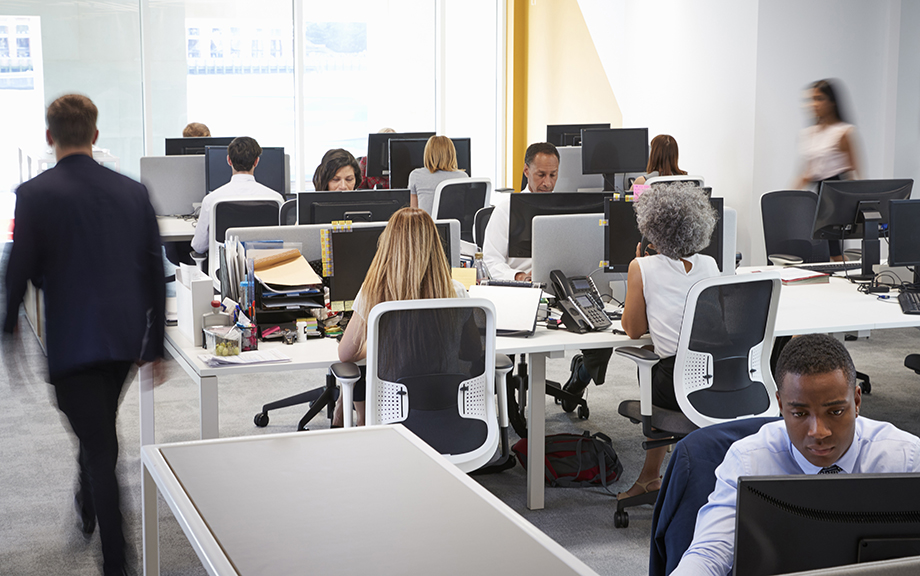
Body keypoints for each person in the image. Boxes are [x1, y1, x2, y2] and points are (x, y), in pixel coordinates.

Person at [4, 94, 165, 576]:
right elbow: (154, 271)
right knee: (97, 430)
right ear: (95, 136)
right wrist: (154, 345)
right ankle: (86, 498)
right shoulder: (133, 191)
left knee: (101, 447)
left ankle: (117, 562)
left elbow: (19, 270)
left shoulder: (33, 194)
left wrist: (8, 326)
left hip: (72, 342)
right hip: (122, 340)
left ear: (50, 137)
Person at [672, 334, 920, 576]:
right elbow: (709, 553)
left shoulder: (906, 458)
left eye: (835, 412)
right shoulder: (749, 460)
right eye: (800, 414)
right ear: (781, 405)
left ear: (856, 400)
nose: (818, 432)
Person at [482, 141, 612, 404]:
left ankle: (578, 380)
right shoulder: (506, 207)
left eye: (553, 175)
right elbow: (491, 259)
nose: (547, 182)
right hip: (521, 293)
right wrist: (518, 277)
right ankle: (510, 402)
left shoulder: (565, 207)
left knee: (604, 335)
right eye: (541, 174)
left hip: (560, 289)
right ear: (527, 171)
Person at [620, 183, 721, 499]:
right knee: (659, 355)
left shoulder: (642, 266)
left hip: (676, 383)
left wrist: (636, 276)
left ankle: (650, 476)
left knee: (650, 361)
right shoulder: (711, 265)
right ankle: (656, 475)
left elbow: (633, 330)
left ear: (651, 226)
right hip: (715, 378)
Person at [335, 207, 468, 426]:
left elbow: (346, 354)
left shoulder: (373, 293)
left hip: (392, 414)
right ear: (435, 245)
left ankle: (350, 416)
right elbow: (471, 350)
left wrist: (378, 342)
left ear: (388, 245)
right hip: (450, 409)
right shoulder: (457, 291)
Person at [794, 79, 860, 261]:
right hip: (816, 195)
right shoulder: (809, 133)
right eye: (811, 99)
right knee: (811, 249)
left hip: (836, 196)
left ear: (832, 102)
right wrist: (789, 197)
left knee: (835, 254)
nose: (813, 104)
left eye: (819, 98)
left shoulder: (844, 132)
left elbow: (854, 173)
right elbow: (807, 171)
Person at [190, 136, 283, 254]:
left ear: (229, 160)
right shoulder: (276, 199)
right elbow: (281, 242)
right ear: (256, 161)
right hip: (265, 266)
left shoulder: (212, 199)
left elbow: (199, 246)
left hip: (224, 269)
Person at [408, 135, 469, 215]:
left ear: (427, 154)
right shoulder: (463, 177)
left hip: (427, 226)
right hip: (454, 226)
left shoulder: (416, 175)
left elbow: (414, 213)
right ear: (451, 154)